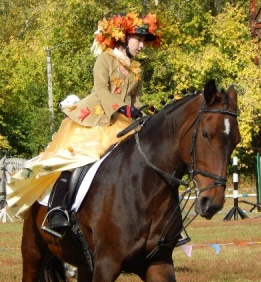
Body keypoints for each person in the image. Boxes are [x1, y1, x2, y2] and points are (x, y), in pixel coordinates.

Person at [6, 12, 161, 233]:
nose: (142, 45)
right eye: (139, 39)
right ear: (123, 38)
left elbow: (136, 99)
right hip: (96, 120)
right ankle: (58, 210)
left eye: (144, 40)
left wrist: (145, 112)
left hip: (124, 123)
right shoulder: (105, 59)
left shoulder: (136, 69)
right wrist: (123, 108)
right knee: (78, 159)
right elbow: (101, 91)